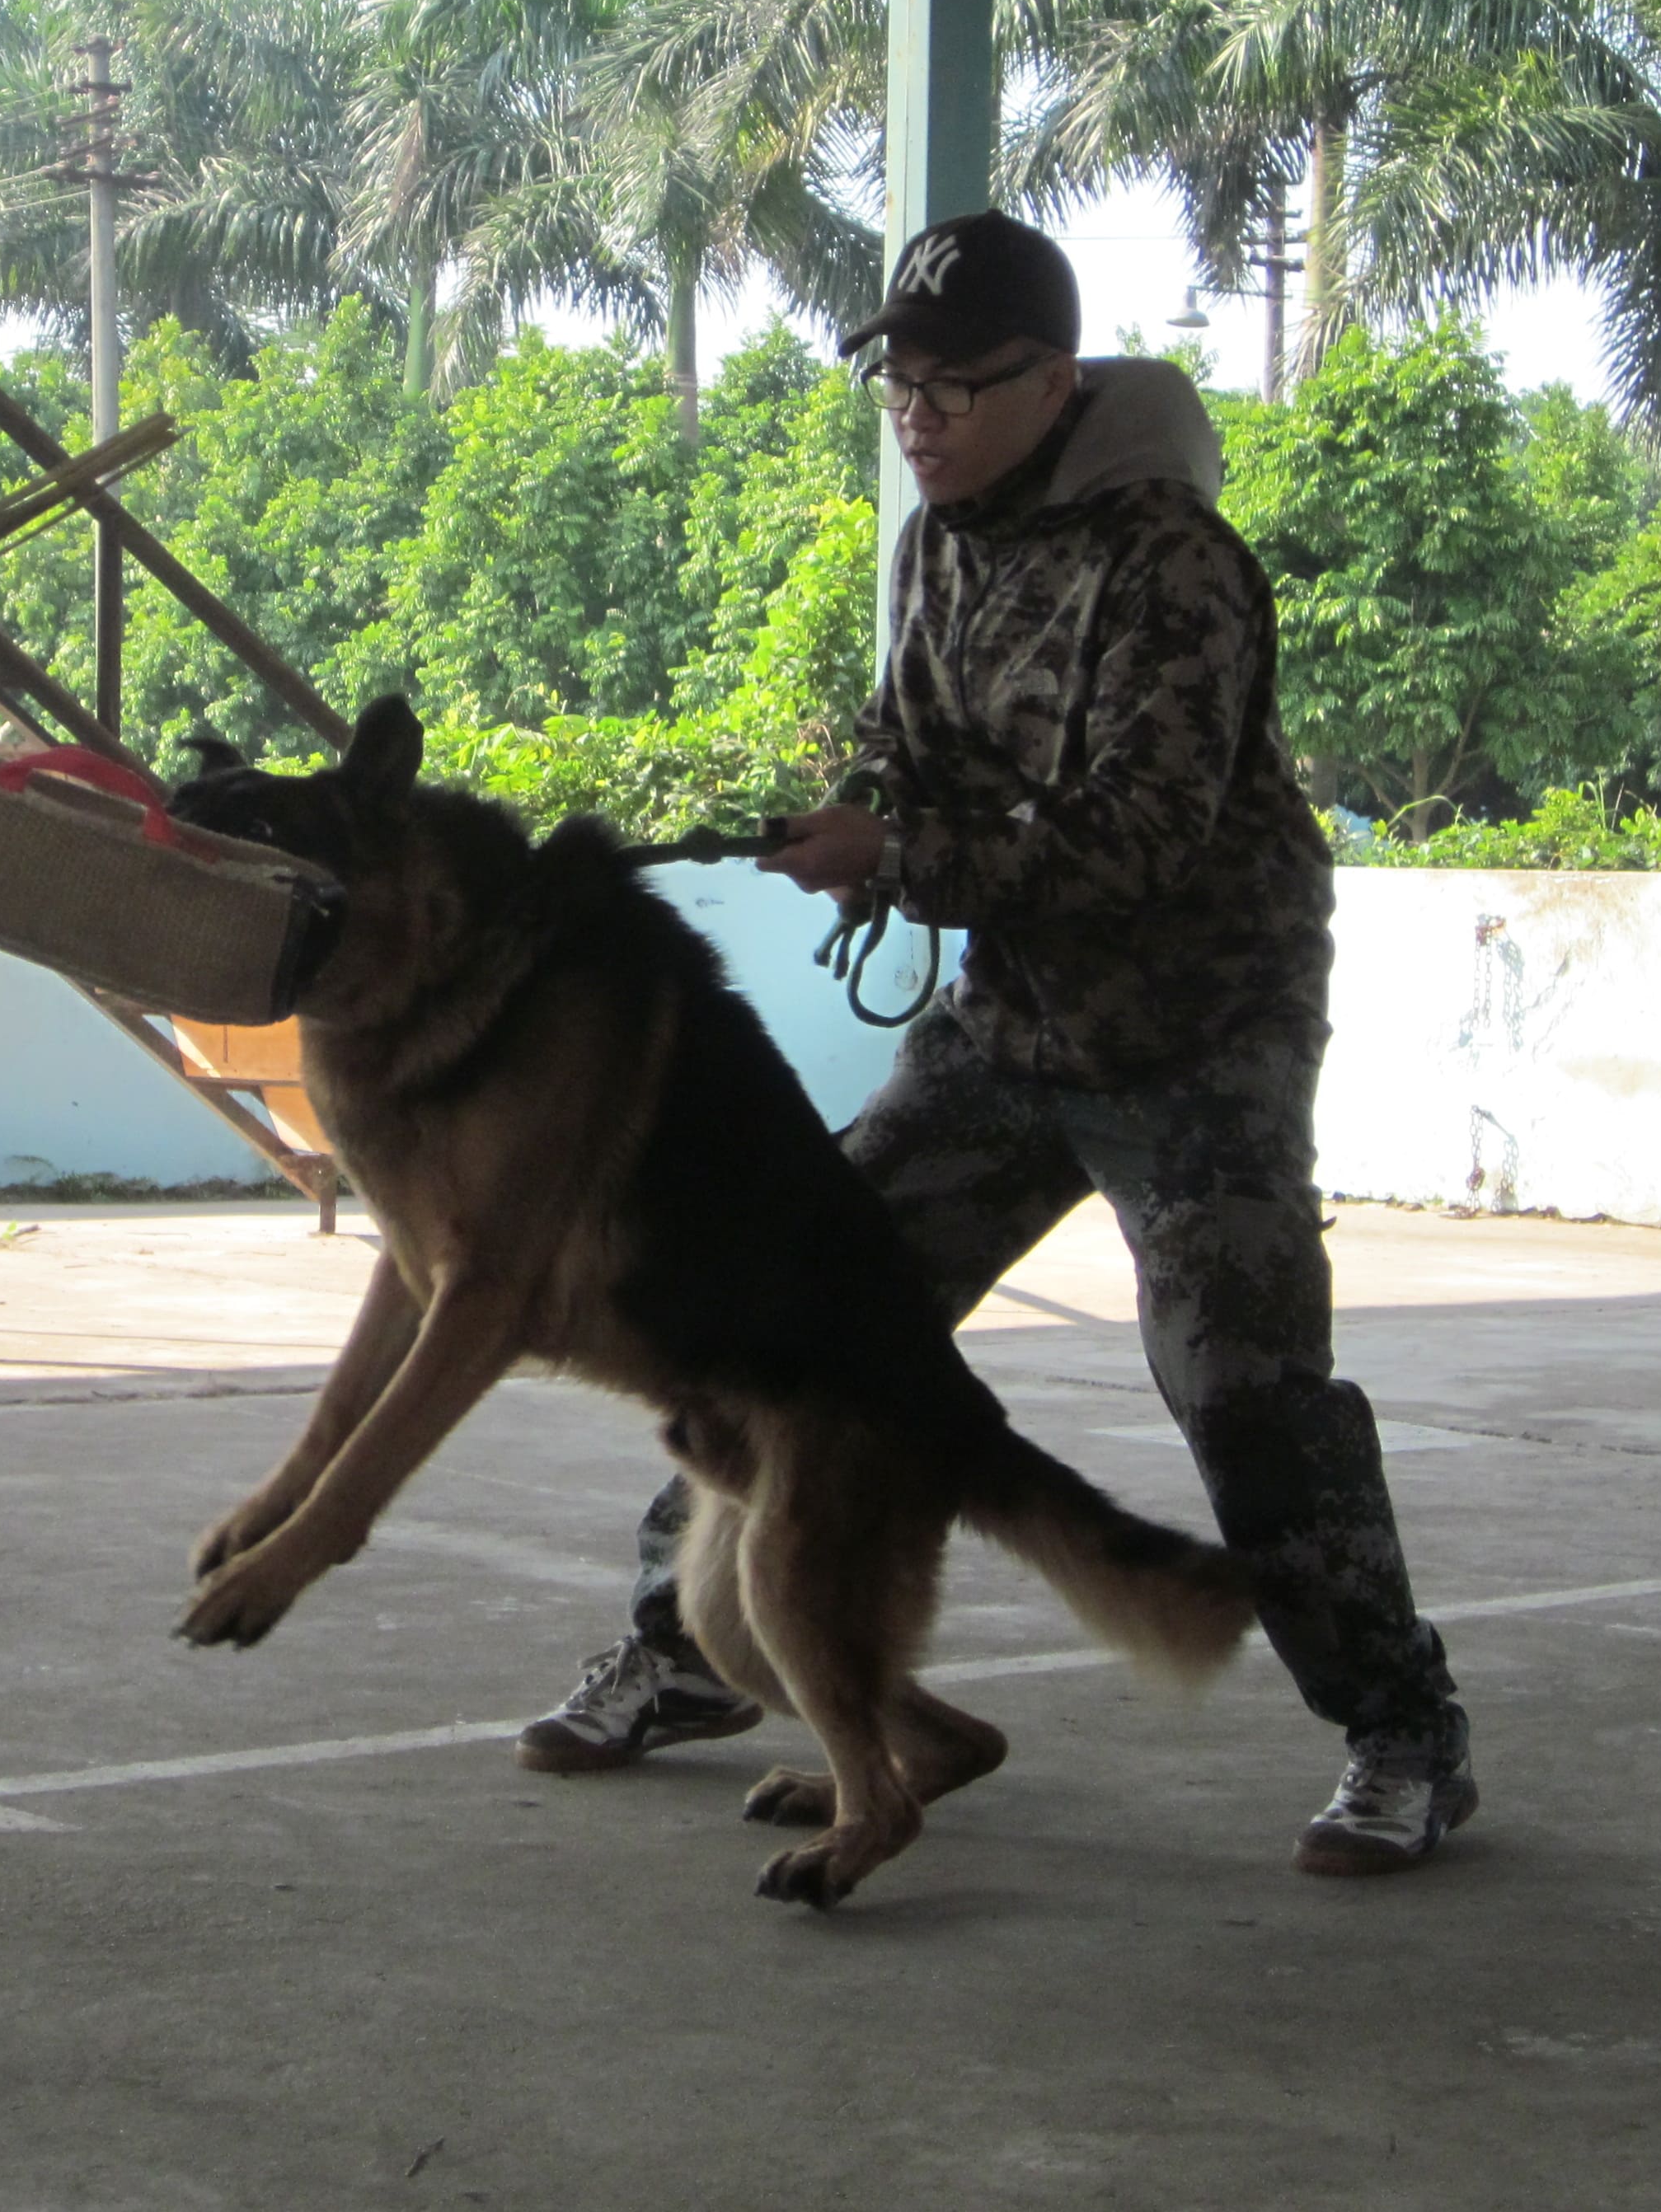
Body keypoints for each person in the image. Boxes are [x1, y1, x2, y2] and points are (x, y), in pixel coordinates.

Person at [514, 209, 1473, 1876]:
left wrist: (901, 858)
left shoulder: (1170, 561)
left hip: (1198, 1039)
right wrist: (864, 811)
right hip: (1010, 1020)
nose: (922, 414)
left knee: (1241, 1390)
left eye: (961, 383)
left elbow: (1139, 842)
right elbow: (914, 751)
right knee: (772, 1314)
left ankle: (1401, 1734)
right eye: (900, 380)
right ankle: (691, 1658)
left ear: (1055, 381)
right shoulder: (935, 546)